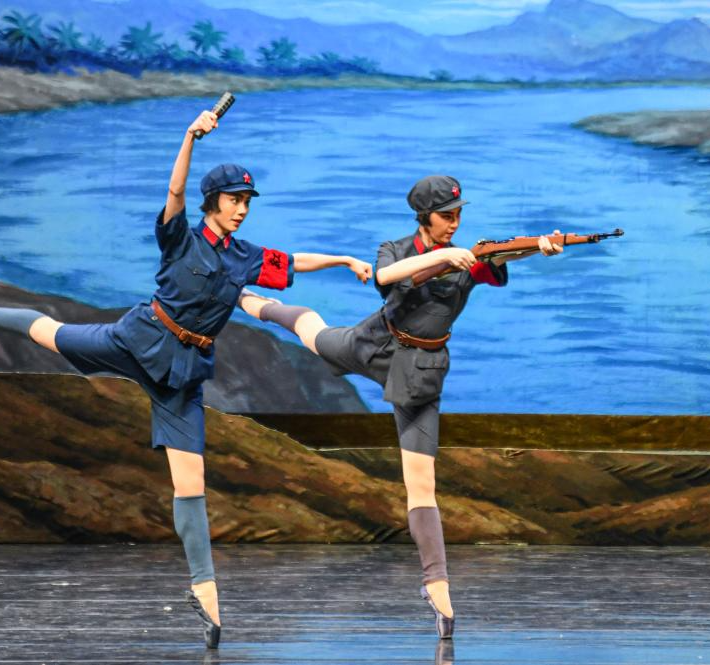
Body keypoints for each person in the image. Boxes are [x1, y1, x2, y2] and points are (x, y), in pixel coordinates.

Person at [0, 108, 372, 648]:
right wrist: (189, 137)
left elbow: (294, 262)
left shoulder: (245, 258)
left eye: (247, 201)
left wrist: (344, 260)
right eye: (234, 200)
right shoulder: (180, 237)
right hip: (138, 339)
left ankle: (205, 595)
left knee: (191, 483)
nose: (242, 209)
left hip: (184, 374)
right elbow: (174, 191)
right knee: (50, 333)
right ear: (212, 202)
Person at [238, 175, 563, 640]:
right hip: (374, 344)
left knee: (422, 483)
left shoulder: (469, 259)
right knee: (313, 332)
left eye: (458, 215)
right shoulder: (396, 248)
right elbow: (387, 278)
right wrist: (442, 257)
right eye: (446, 216)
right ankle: (257, 302)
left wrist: (539, 248)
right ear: (424, 217)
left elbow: (501, 257)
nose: (454, 223)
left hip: (420, 371)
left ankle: (437, 587)